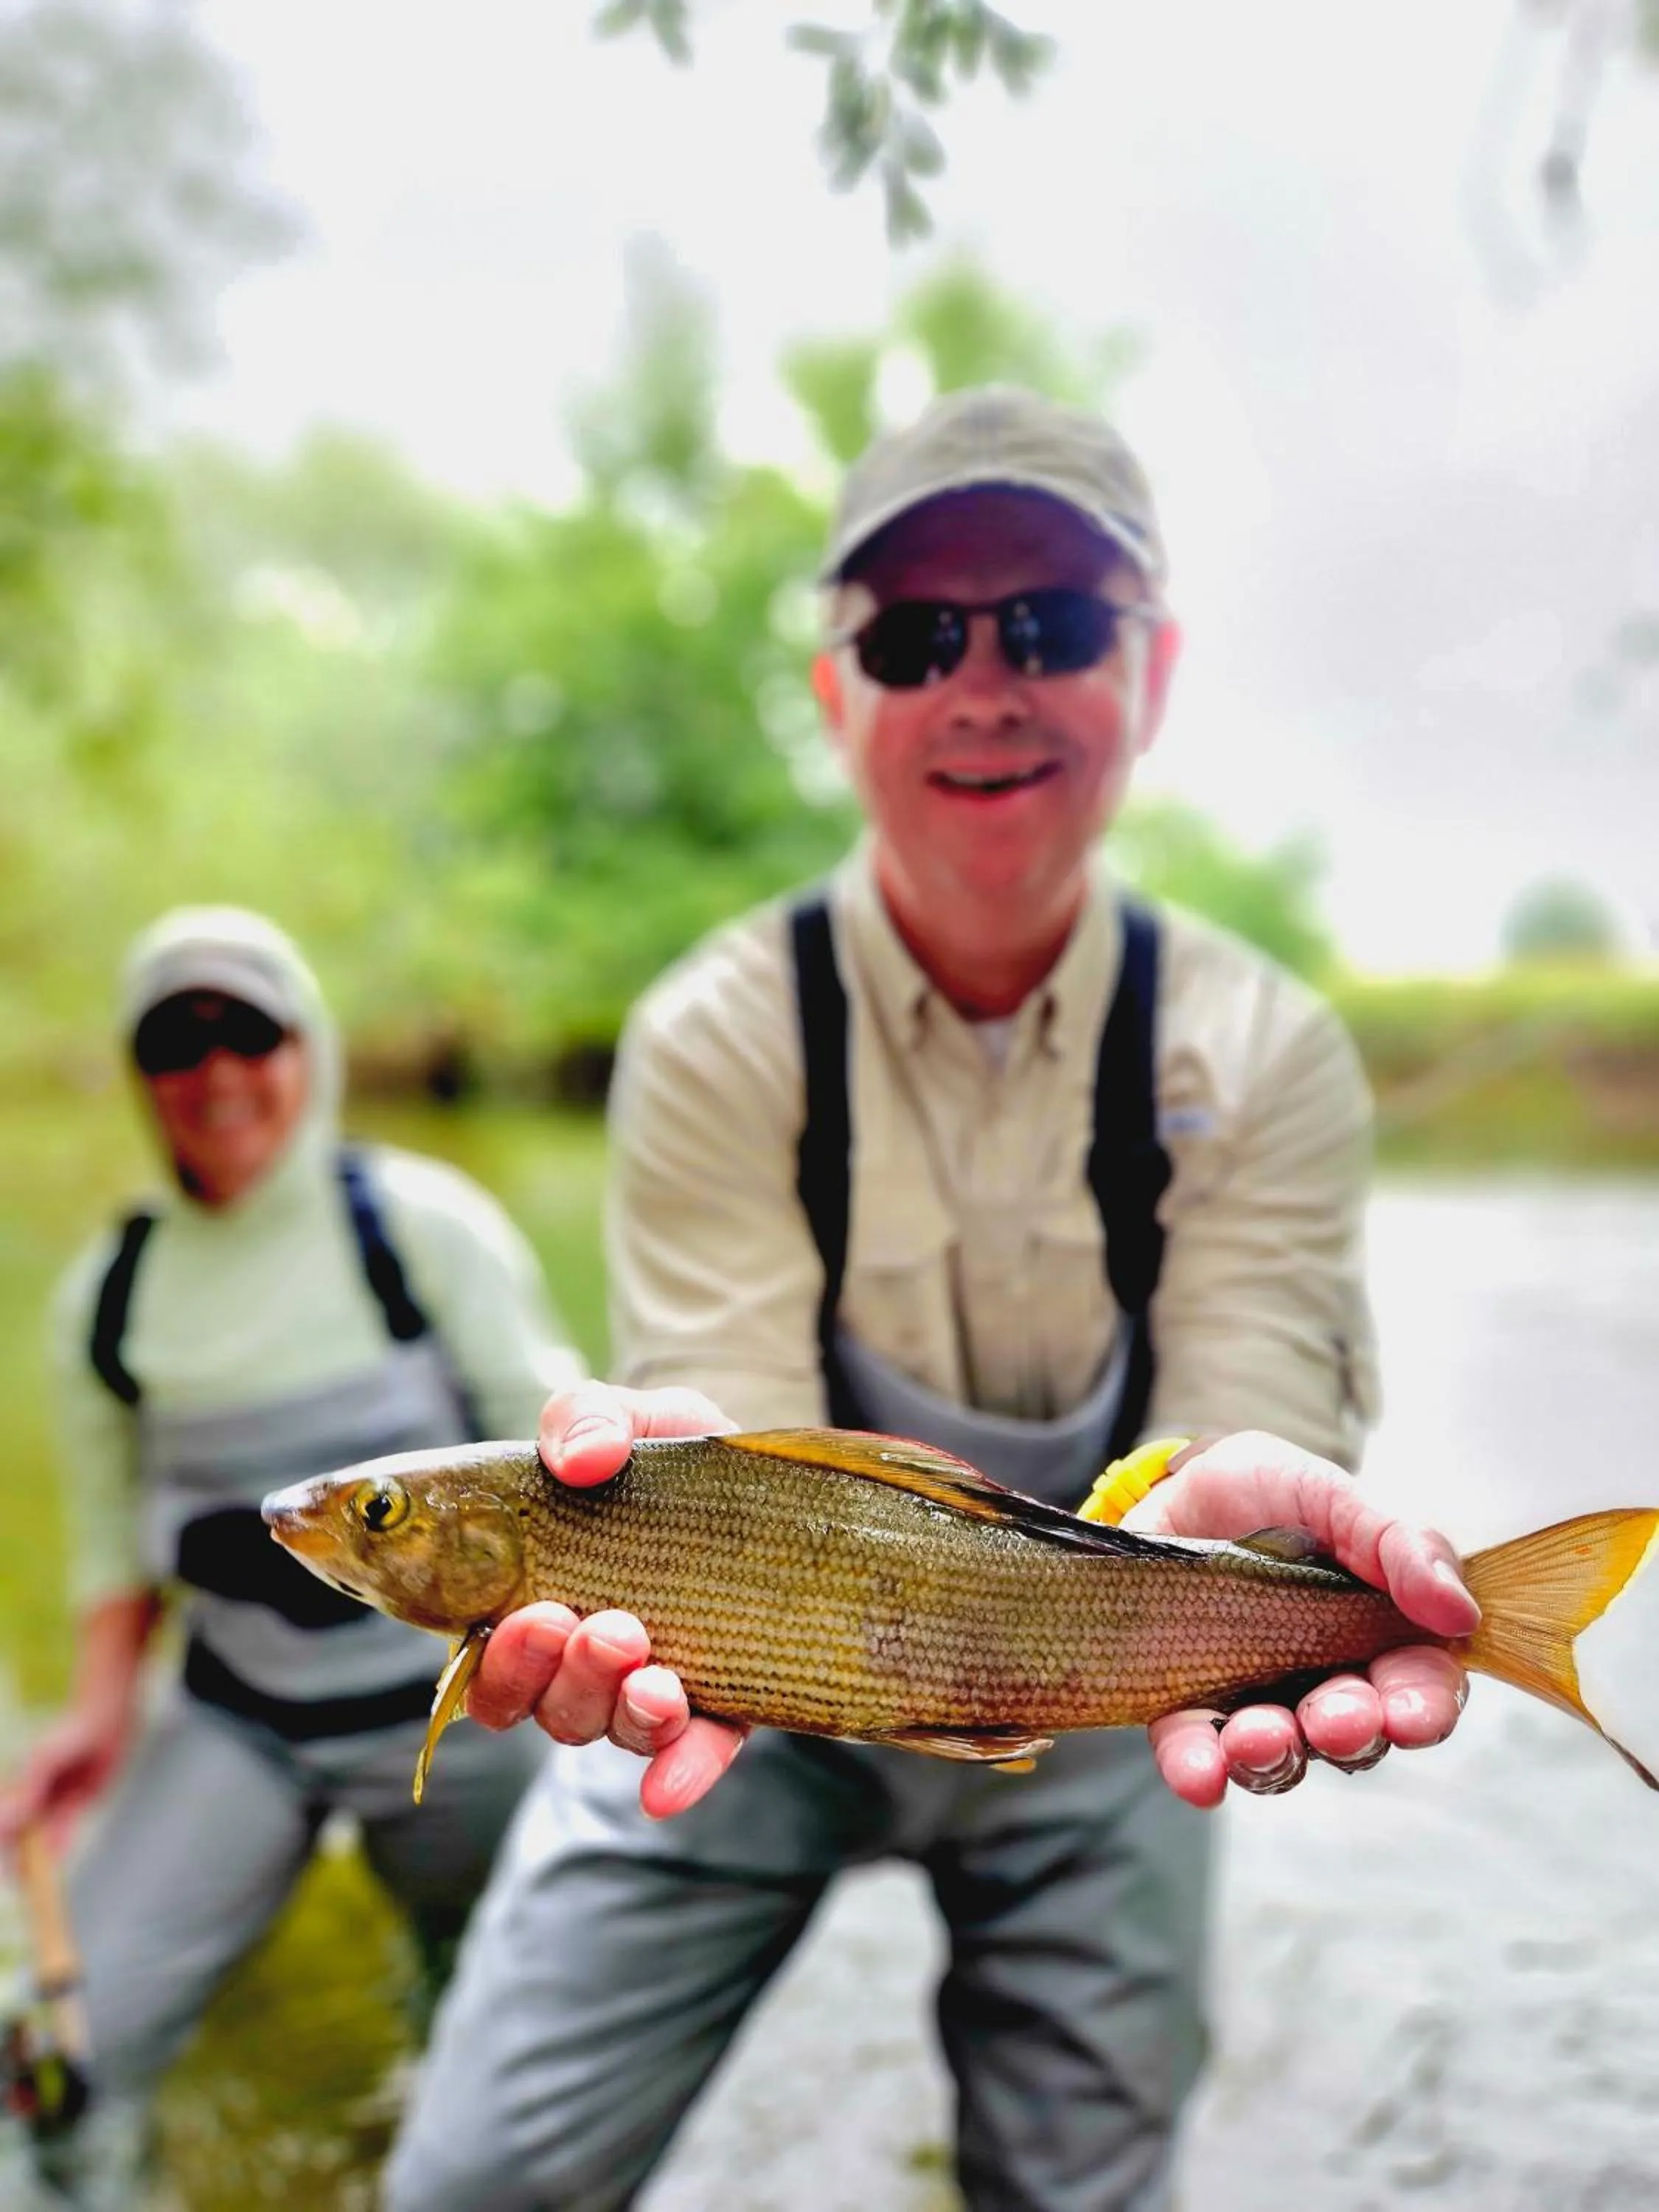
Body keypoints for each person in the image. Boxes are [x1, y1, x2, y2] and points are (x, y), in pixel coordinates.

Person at [383, 386, 1476, 2212]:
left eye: (1048, 624)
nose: (983, 682)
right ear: (836, 696)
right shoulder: (715, 1031)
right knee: (470, 2187)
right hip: (732, 1674)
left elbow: (1249, 1386)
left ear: (1153, 673)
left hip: (1115, 1695)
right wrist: (664, 1498)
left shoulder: (1267, 1048)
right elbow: (716, 1438)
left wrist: (1239, 1509)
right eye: (912, 635)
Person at [0, 905, 585, 2208]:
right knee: (57, 2052)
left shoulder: (422, 1229)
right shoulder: (110, 1290)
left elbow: (570, 1458)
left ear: (304, 1046)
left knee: (524, 2043)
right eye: (176, 1038)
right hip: (238, 1718)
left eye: (245, 1030)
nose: (215, 1072)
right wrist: (93, 1725)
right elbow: (113, 1546)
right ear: (139, 1069)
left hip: (458, 1715)